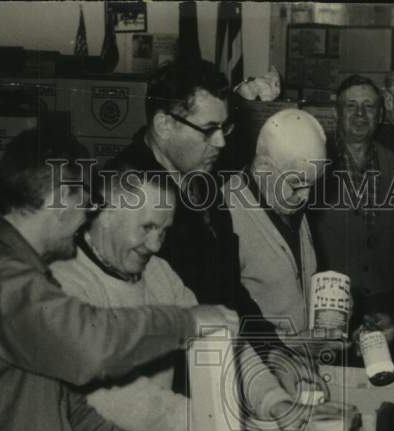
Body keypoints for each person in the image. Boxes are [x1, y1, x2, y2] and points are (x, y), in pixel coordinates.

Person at [0, 128, 238, 431]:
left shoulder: (21, 275)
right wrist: (185, 322)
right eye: (85, 203)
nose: (88, 215)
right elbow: (92, 346)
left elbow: (67, 415)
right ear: (62, 199)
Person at [51, 168, 304, 431]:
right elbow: (113, 396)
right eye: (147, 227)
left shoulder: (159, 272)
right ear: (107, 215)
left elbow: (219, 341)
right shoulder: (64, 283)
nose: (155, 245)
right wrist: (213, 422)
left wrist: (272, 399)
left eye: (163, 231)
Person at [108, 59, 281, 358]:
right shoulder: (123, 194)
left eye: (224, 127)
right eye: (209, 129)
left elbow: (228, 289)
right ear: (164, 125)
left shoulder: (204, 179)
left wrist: (274, 353)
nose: (221, 142)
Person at [311, 75, 394, 340]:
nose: (360, 114)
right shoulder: (316, 161)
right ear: (337, 113)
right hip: (329, 302)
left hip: (382, 305)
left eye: (368, 106)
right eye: (351, 106)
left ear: (380, 115)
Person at [229, 109, 327, 341]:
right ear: (264, 168)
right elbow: (226, 316)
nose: (305, 196)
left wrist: (326, 304)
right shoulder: (227, 213)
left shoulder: (287, 200)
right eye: (296, 184)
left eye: (312, 184)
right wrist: (290, 345)